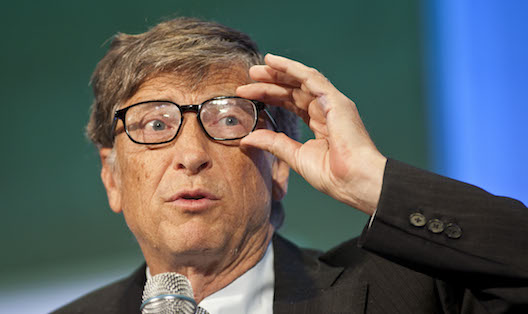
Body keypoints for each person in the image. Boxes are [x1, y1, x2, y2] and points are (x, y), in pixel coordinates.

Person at [53, 17, 528, 313]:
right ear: (112, 176)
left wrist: (374, 181)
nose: (192, 155)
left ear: (278, 166)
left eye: (228, 120)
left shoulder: (406, 292)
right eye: (155, 125)